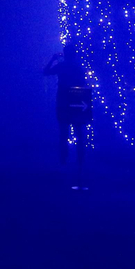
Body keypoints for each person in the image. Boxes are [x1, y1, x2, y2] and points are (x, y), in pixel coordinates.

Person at [44, 45, 92, 188]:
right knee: (79, 132)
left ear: (65, 54)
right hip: (77, 100)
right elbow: (83, 82)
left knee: (64, 132)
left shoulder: (62, 66)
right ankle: (80, 162)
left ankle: (64, 162)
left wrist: (53, 59)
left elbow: (46, 72)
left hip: (63, 100)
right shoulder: (79, 66)